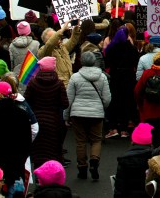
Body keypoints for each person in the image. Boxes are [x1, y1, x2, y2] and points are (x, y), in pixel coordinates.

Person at [66, 51, 111, 181]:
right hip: (96, 113)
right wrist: (101, 108)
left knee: (80, 141)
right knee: (96, 139)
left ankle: (82, 167)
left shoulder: (75, 77)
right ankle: (94, 161)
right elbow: (107, 98)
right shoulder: (102, 77)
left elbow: (69, 99)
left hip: (77, 113)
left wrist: (66, 115)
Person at [25, 56, 69, 169]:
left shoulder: (33, 83)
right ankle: (51, 176)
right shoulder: (59, 84)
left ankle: (39, 177)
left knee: (39, 150)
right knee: (52, 150)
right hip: (54, 121)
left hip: (37, 120)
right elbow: (65, 103)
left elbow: (26, 101)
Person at [105, 25, 140, 139]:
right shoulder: (131, 48)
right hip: (128, 77)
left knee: (114, 101)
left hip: (115, 76)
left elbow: (107, 62)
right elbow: (136, 61)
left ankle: (113, 127)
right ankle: (124, 129)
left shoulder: (112, 48)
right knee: (126, 102)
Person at [113, 122, 154, 198]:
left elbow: (120, 186)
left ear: (133, 141)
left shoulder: (124, 159)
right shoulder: (155, 158)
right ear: (150, 142)